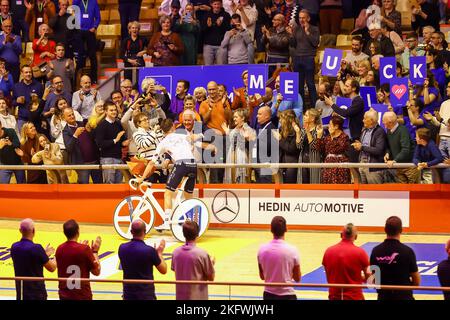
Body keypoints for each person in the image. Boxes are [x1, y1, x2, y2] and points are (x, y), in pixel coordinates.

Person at [136, 118, 198, 230]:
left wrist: (142, 178)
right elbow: (194, 139)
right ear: (173, 127)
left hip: (181, 164)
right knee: (188, 196)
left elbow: (151, 163)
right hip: (193, 165)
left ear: (162, 130)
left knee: (168, 193)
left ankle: (166, 222)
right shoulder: (181, 135)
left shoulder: (163, 143)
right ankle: (193, 223)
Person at [370, 216, 420, 300]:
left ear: (385, 230)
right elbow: (416, 281)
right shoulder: (408, 251)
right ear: (401, 230)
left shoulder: (376, 251)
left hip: (383, 296)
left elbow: (374, 280)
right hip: (404, 296)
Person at [118, 218, 167, 300]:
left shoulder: (122, 248)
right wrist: (159, 254)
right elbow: (163, 270)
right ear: (145, 231)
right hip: (146, 295)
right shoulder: (149, 251)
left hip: (128, 295)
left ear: (131, 232)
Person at [55, 219, 102, 300]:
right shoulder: (84, 249)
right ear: (78, 232)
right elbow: (97, 271)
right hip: (82, 296)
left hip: (64, 296)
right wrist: (95, 252)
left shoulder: (59, 249)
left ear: (64, 233)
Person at [10, 218, 56, 300]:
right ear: (33, 231)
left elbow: (28, 258)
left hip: (21, 293)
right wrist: (57, 258)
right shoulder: (37, 248)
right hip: (37, 294)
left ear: (20, 230)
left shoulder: (14, 247)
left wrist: (43, 254)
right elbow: (52, 268)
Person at [322, 223, 371, 300]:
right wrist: (360, 277)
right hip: (354, 297)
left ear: (341, 235)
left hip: (334, 296)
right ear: (356, 236)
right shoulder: (360, 253)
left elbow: (330, 276)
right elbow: (370, 280)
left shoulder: (328, 251)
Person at [257, 216, 301, 300]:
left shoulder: (261, 249)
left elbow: (262, 276)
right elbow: (297, 278)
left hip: (268, 295)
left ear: (271, 230)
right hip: (288, 295)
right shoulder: (293, 250)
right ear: (286, 229)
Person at [172, 220, 215, 300]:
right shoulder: (202, 254)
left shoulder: (175, 252)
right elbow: (211, 278)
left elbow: (178, 270)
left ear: (183, 234)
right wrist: (211, 263)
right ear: (198, 234)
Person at [199, 81, 232, 183]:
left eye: (213, 89)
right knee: (213, 164)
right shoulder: (204, 104)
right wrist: (210, 108)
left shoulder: (224, 102)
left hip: (224, 137)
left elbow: (229, 117)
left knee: (222, 163)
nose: (212, 91)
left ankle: (220, 187)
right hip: (212, 138)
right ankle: (213, 187)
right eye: (210, 90)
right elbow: (203, 120)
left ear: (218, 90)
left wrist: (224, 105)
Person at [288, 9, 319, 109]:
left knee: (310, 84)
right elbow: (293, 44)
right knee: (299, 85)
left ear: (308, 18)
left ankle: (314, 107)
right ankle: (302, 108)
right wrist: (291, 35)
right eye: (300, 18)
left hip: (309, 58)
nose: (301, 20)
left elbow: (315, 43)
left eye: (303, 18)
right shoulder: (296, 29)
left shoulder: (314, 29)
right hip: (297, 58)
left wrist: (307, 31)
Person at [63, 107, 102, 184]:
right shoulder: (65, 131)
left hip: (95, 161)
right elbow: (69, 148)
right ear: (64, 118)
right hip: (82, 164)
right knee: (84, 186)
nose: (72, 116)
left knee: (99, 184)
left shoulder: (83, 123)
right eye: (69, 115)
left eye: (72, 114)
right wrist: (75, 135)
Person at [95, 102, 129, 184]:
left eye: (115, 110)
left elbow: (120, 141)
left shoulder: (118, 123)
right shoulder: (101, 125)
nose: (114, 112)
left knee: (119, 184)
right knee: (109, 184)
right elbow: (99, 143)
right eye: (111, 110)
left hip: (118, 158)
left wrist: (124, 143)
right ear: (106, 112)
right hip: (107, 159)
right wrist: (115, 140)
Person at [382, 111, 420, 184]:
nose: (383, 123)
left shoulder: (403, 130)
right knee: (403, 192)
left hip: (410, 166)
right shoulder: (389, 131)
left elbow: (406, 149)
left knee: (414, 191)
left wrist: (394, 160)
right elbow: (389, 146)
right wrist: (387, 153)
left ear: (390, 122)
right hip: (399, 166)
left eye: (384, 121)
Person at [352, 109, 387, 184]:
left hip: (373, 168)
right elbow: (363, 146)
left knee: (374, 193)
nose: (363, 120)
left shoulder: (380, 132)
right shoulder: (364, 130)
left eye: (365, 118)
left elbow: (379, 150)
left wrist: (362, 147)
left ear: (371, 121)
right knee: (363, 192)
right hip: (362, 164)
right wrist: (358, 145)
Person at [222, 108, 255, 183]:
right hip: (231, 154)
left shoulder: (246, 128)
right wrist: (228, 133)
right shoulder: (235, 128)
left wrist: (248, 138)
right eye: (234, 117)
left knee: (239, 177)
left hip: (241, 155)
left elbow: (252, 141)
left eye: (236, 117)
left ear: (243, 118)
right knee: (231, 176)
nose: (234, 119)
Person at [71, 0, 101, 83]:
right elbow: (73, 7)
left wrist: (94, 27)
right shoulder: (77, 1)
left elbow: (98, 17)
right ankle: (78, 79)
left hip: (90, 32)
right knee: (80, 56)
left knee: (92, 56)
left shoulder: (93, 2)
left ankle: (94, 78)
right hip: (79, 32)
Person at [318, 115, 351, 184]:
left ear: (336, 126)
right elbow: (319, 148)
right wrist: (319, 137)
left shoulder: (344, 137)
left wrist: (332, 137)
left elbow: (337, 150)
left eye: (330, 125)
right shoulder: (328, 137)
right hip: (328, 165)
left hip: (340, 166)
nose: (328, 127)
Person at [201, 0, 231, 65]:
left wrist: (221, 25)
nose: (217, 6)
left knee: (221, 68)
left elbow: (229, 30)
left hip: (221, 46)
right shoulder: (206, 15)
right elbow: (202, 30)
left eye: (218, 4)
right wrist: (208, 26)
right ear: (211, 4)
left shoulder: (226, 15)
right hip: (208, 46)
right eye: (215, 4)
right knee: (208, 68)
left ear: (221, 4)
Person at [253, 105, 276, 183]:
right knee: (259, 190)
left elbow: (270, 147)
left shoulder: (272, 128)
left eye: (259, 114)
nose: (257, 116)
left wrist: (254, 140)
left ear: (266, 116)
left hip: (265, 164)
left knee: (265, 190)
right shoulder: (261, 128)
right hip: (258, 164)